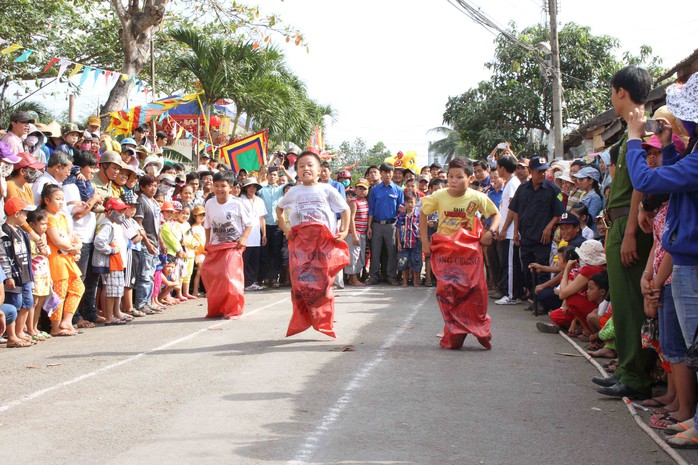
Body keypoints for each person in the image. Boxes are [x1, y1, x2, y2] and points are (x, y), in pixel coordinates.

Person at [623, 73, 698, 444]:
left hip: (690, 263)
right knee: (689, 345)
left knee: (692, 347)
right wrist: (667, 144)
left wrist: (636, 140)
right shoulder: (691, 154)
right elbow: (669, 173)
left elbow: (650, 181)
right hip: (684, 261)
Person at [592, 65, 655, 400]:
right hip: (617, 223)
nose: (612, 98)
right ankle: (626, 368)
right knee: (623, 301)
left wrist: (629, 231)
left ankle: (635, 375)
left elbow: (638, 191)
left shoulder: (641, 132)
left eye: (612, 92)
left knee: (631, 302)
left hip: (631, 225)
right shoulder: (630, 129)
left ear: (620, 91)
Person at [420, 157, 500, 350]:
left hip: (469, 254)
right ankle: (453, 327)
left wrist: (490, 232)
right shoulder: (439, 196)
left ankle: (476, 326)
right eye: (450, 177)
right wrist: (424, 241)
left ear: (470, 178)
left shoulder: (477, 197)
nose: (453, 180)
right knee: (448, 292)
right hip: (446, 254)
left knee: (475, 292)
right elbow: (423, 213)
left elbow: (495, 214)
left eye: (458, 177)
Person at [276, 150, 350, 338]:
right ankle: (303, 319)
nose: (305, 169)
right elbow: (279, 209)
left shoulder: (327, 190)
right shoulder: (293, 191)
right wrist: (286, 230)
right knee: (300, 284)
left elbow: (345, 209)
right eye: (301, 166)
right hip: (301, 246)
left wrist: (344, 229)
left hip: (323, 245)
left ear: (319, 170)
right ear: (296, 171)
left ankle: (324, 321)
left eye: (310, 165)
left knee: (323, 284)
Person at [508, 157, 565, 309]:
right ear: (531, 172)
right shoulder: (522, 189)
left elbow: (559, 213)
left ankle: (542, 303)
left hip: (542, 239)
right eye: (539, 171)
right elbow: (516, 211)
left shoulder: (553, 190)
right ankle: (533, 299)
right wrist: (515, 232)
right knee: (527, 271)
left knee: (542, 271)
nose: (542, 174)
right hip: (525, 236)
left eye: (544, 171)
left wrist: (548, 228)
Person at [202, 170, 253, 319]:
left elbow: (249, 224)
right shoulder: (210, 203)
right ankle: (218, 308)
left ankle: (234, 309)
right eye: (216, 185)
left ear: (230, 187)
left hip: (233, 245)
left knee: (229, 275)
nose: (219, 189)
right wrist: (207, 242)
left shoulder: (237, 203)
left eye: (223, 186)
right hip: (217, 245)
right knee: (212, 275)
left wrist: (243, 238)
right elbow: (208, 225)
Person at [41, 184, 84, 336]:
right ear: (47, 200)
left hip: (68, 257)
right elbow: (56, 240)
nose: (61, 202)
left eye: (62, 199)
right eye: (57, 199)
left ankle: (67, 320)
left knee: (78, 287)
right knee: (59, 292)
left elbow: (73, 236)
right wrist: (73, 248)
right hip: (56, 258)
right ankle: (55, 326)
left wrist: (77, 246)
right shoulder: (47, 218)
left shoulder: (63, 217)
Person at [1, 198, 36, 345]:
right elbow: (3, 256)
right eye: (25, 213)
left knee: (28, 302)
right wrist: (8, 275)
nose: (26, 216)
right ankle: (12, 335)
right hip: (14, 275)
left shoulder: (21, 231)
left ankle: (20, 331)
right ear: (16, 213)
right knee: (15, 304)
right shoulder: (4, 232)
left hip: (25, 273)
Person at [92, 198, 130, 325]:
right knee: (111, 290)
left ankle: (115, 313)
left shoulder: (113, 224)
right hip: (110, 263)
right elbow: (99, 241)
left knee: (117, 289)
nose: (122, 215)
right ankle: (109, 316)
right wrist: (111, 250)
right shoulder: (106, 224)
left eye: (122, 211)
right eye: (119, 212)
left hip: (116, 262)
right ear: (110, 211)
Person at [367, 163, 404, 285]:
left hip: (391, 225)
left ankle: (391, 276)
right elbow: (371, 209)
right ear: (381, 173)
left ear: (392, 173)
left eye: (390, 172)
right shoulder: (375, 190)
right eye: (385, 172)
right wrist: (369, 227)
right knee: (375, 251)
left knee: (391, 251)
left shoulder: (398, 190)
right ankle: (373, 276)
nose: (388, 174)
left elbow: (401, 209)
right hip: (376, 224)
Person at [494, 155, 523, 304]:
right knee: (507, 263)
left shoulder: (512, 184)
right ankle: (509, 292)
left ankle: (511, 295)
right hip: (507, 230)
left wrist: (505, 229)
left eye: (498, 167)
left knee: (511, 265)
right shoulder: (510, 183)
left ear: (502, 168)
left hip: (511, 231)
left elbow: (513, 209)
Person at [134, 175, 164, 314]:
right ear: (142, 187)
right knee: (145, 275)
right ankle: (141, 303)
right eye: (150, 186)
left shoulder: (154, 203)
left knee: (151, 274)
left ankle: (148, 301)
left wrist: (161, 243)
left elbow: (157, 226)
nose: (153, 189)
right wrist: (148, 243)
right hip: (146, 244)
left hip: (155, 242)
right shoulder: (141, 202)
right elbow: (139, 225)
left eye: (155, 186)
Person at [26, 209, 52, 341]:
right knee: (33, 301)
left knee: (41, 301)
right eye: (42, 224)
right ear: (32, 225)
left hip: (44, 272)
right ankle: (29, 328)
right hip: (34, 273)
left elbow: (46, 255)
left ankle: (35, 327)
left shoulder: (44, 237)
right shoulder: (29, 238)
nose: (45, 227)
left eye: (46, 224)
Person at [258, 166, 285, 287]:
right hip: (265, 225)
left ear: (277, 177)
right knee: (265, 253)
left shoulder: (281, 189)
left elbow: (293, 183)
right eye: (270, 174)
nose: (272, 177)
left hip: (277, 225)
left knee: (276, 252)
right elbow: (256, 186)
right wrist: (260, 174)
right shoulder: (263, 189)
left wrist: (284, 171)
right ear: (267, 176)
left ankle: (274, 278)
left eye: (274, 175)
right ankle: (265, 277)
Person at [239, 177, 267, 291]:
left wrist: (264, 234)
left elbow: (262, 218)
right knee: (244, 260)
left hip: (256, 235)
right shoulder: (240, 200)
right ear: (245, 188)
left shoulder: (260, 201)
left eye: (254, 186)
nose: (252, 188)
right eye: (249, 186)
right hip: (244, 235)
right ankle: (243, 282)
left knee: (254, 260)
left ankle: (251, 281)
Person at [345, 178, 369, 286]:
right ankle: (353, 279)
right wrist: (354, 235)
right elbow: (351, 219)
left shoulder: (365, 202)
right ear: (355, 189)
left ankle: (356, 277)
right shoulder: (354, 202)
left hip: (362, 233)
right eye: (359, 188)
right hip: (354, 233)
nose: (361, 191)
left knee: (360, 257)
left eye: (364, 188)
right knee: (353, 256)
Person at [396, 191, 422, 287]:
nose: (410, 204)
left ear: (416, 203)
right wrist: (399, 242)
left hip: (415, 242)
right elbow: (398, 229)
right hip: (404, 242)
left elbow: (422, 227)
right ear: (405, 203)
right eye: (408, 202)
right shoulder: (401, 216)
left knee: (415, 261)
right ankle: (405, 281)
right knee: (403, 262)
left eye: (412, 202)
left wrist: (421, 235)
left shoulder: (419, 216)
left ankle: (415, 280)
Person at [573, 166, 603, 232]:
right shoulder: (584, 195)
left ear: (591, 181)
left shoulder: (595, 197)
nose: (578, 182)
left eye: (581, 179)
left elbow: (589, 219)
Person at [190, 205, 207, 297]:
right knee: (200, 271)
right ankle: (195, 291)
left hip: (204, 251)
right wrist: (204, 250)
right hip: (199, 252)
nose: (202, 217)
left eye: (203, 215)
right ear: (195, 216)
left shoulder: (202, 227)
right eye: (200, 215)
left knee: (201, 271)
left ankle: (198, 290)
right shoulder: (194, 228)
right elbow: (198, 241)